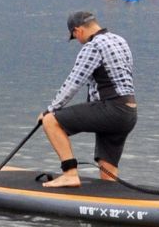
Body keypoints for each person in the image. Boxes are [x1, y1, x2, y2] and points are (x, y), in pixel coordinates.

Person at [39, 11, 137, 189]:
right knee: (109, 175)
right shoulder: (120, 40)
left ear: (78, 31)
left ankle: (69, 174)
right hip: (129, 112)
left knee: (51, 121)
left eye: (74, 36)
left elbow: (73, 83)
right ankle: (112, 201)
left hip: (112, 110)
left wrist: (49, 110)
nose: (77, 41)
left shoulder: (94, 46)